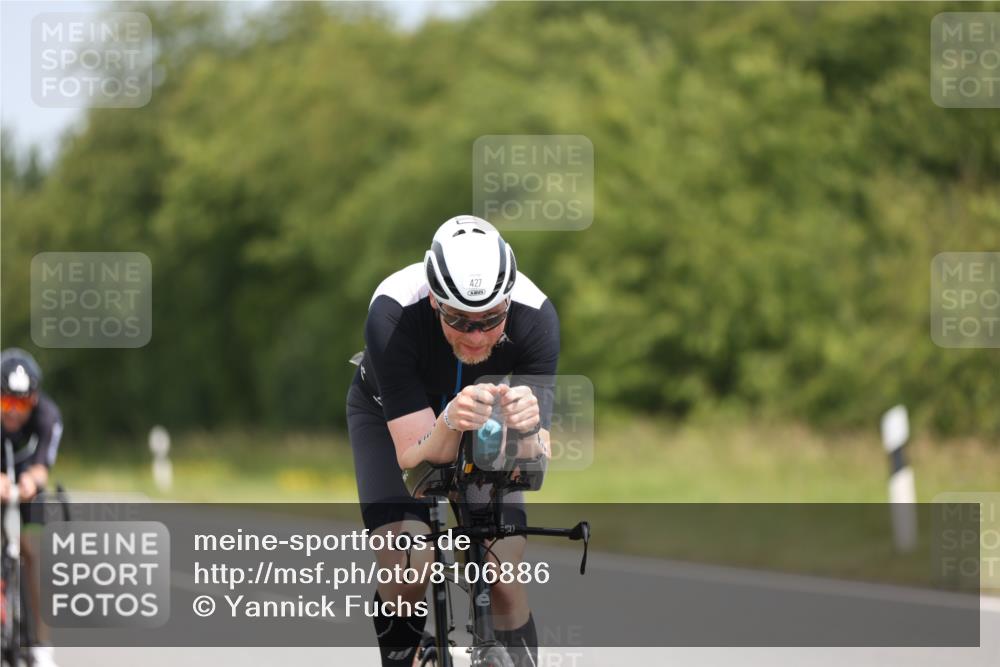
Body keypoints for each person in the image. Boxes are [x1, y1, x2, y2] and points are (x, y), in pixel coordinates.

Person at [347, 215, 559, 667]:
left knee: (502, 568)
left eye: (491, 319)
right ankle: (406, 653)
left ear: (508, 301)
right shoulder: (391, 312)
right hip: (394, 416)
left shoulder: (536, 315)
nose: (477, 335)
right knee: (410, 561)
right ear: (434, 302)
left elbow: (537, 457)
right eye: (460, 320)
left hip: (487, 421)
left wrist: (527, 429)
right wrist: (447, 421)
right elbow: (414, 464)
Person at [1, 347, 63, 667]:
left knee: (35, 552)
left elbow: (42, 467)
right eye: (6, 402)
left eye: (21, 403)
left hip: (25, 488)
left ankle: (40, 644)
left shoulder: (49, 416)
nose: (13, 412)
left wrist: (31, 483)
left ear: (34, 401)